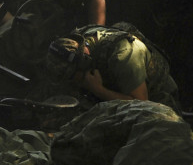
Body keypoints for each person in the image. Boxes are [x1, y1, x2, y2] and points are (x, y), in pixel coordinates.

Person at [45, 24, 180, 112]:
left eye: (73, 76)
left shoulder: (124, 55)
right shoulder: (78, 39)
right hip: (119, 84)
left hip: (153, 97)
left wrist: (98, 90)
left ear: (84, 60)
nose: (74, 81)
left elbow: (141, 105)